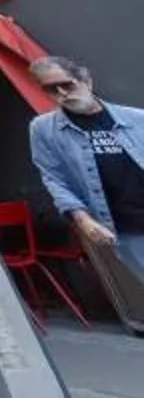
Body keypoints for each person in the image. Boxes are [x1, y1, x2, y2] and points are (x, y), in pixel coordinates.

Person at [26, 53, 144, 329]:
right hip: (128, 227)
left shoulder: (136, 119)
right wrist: (82, 219)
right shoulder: (44, 130)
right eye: (51, 89)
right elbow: (54, 179)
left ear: (86, 80)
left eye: (66, 84)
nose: (62, 94)